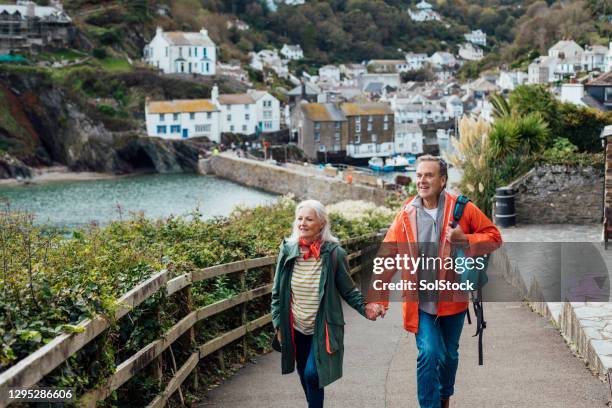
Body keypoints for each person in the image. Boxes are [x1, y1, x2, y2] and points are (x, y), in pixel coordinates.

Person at [366, 155, 502, 408]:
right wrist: (377, 297)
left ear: (442, 180)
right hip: (420, 303)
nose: (422, 180)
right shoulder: (406, 214)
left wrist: (465, 239)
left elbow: (495, 238)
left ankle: (444, 396)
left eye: (428, 175)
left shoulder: (462, 209)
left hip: (454, 300)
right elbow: (386, 257)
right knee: (428, 353)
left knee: (448, 356)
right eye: (419, 175)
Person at [271, 199, 377, 408]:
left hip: (323, 327)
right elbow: (277, 293)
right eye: (299, 218)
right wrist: (278, 324)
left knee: (312, 374)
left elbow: (348, 289)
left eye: (309, 219)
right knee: (303, 371)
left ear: (321, 223)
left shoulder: (334, 254)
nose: (302, 223)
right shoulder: (287, 250)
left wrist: (366, 308)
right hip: (295, 326)